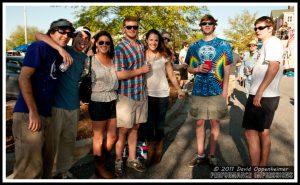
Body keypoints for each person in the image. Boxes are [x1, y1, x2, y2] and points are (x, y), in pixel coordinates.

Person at [9, 18, 74, 179]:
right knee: (29, 170)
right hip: (28, 114)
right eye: (61, 31)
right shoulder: (39, 47)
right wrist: (32, 111)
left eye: (69, 33)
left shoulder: (60, 54)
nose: (65, 36)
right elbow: (24, 78)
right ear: (51, 32)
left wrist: (61, 50)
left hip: (47, 114)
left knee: (45, 166)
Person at [35, 26, 91, 179]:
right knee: (52, 144)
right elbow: (38, 35)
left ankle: (64, 170)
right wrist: (60, 50)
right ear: (74, 37)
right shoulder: (62, 48)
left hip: (74, 106)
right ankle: (49, 173)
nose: (83, 40)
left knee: (68, 142)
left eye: (86, 38)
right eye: (80, 36)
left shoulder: (85, 59)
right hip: (57, 106)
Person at [185, 14, 232, 168]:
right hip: (199, 90)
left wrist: (225, 90)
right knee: (199, 123)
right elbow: (189, 68)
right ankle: (200, 154)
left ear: (214, 25)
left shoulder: (224, 45)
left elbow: (226, 68)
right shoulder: (194, 46)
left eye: (209, 23)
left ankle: (211, 155)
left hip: (217, 90)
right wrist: (197, 69)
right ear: (200, 26)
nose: (206, 25)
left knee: (214, 122)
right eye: (204, 23)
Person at [242, 16, 284, 166]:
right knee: (262, 132)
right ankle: (260, 169)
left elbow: (274, 66)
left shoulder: (272, 42)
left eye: (260, 27)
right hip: (265, 94)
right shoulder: (266, 44)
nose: (257, 30)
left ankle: (256, 171)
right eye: (255, 28)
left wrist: (259, 92)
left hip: (263, 95)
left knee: (251, 132)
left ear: (270, 28)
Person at [141, 29, 185, 166]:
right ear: (147, 40)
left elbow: (171, 74)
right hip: (146, 94)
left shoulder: (164, 55)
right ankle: (149, 152)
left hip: (162, 95)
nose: (153, 42)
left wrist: (179, 89)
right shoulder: (141, 55)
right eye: (151, 40)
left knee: (159, 125)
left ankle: (158, 151)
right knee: (148, 126)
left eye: (156, 40)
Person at [113, 16, 151, 177]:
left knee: (135, 128)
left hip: (141, 94)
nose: (132, 30)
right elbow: (119, 74)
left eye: (135, 27)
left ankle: (132, 159)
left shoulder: (141, 44)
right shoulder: (120, 48)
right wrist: (140, 70)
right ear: (124, 28)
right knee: (123, 131)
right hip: (126, 96)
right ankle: (118, 161)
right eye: (129, 27)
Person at [85, 31, 118, 178]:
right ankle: (100, 168)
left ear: (111, 45)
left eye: (107, 42)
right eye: (101, 42)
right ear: (96, 44)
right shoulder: (90, 60)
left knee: (112, 137)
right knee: (98, 137)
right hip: (97, 101)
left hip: (113, 99)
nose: (104, 45)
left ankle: (101, 163)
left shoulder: (114, 59)